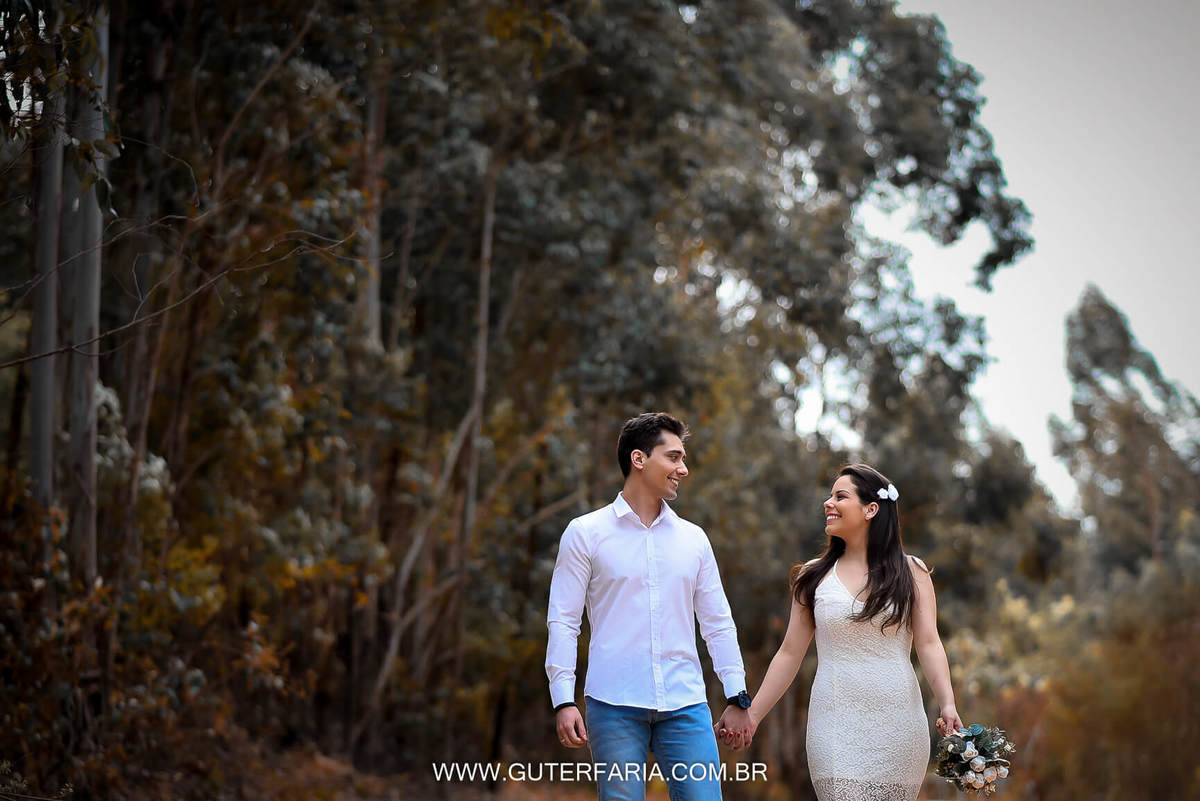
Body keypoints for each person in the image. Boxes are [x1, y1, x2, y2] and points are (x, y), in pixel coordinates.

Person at [724, 463, 964, 801]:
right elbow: (790, 653)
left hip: (898, 727)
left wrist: (947, 704)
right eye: (829, 496)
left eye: (840, 496)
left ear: (870, 509)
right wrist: (753, 715)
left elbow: (928, 643)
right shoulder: (812, 577)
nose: (828, 503)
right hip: (834, 727)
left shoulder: (913, 572)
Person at [545, 412, 752, 801]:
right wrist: (563, 698)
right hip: (613, 704)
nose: (683, 469)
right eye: (673, 457)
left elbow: (718, 623)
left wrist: (737, 695)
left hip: (686, 705)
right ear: (639, 459)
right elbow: (563, 621)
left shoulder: (694, 540)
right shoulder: (586, 533)